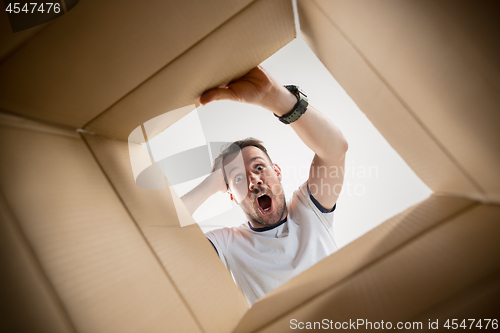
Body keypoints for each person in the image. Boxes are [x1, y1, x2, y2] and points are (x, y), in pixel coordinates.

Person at [181, 66, 348, 305]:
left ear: (277, 172)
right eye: (239, 179)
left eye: (259, 167)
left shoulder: (310, 211)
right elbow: (163, 238)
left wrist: (277, 98)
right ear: (230, 196)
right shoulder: (228, 244)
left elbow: (335, 150)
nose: (254, 180)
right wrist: (214, 181)